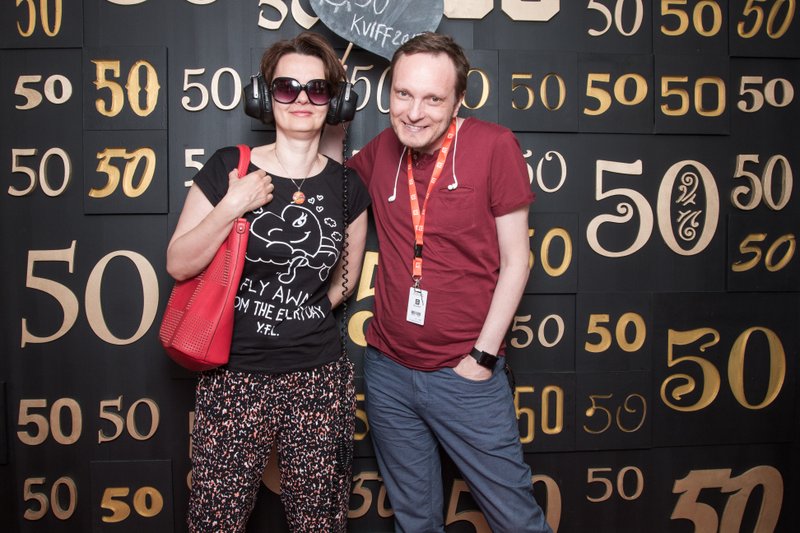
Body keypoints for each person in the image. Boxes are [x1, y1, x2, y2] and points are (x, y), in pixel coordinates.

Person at [331, 32, 552, 532]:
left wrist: (481, 359)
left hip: (464, 375)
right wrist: (332, 110)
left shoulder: (494, 146)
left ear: (458, 100)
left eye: (433, 99)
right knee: (415, 521)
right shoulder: (382, 150)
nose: (413, 113)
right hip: (388, 372)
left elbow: (517, 261)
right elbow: (327, 179)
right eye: (403, 94)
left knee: (518, 522)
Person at [166, 32, 370, 532]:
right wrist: (233, 205)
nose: (301, 99)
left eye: (317, 89)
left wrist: (299, 313)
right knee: (215, 521)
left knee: (319, 523)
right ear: (264, 96)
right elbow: (178, 263)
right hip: (233, 377)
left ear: (335, 101)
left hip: (318, 380)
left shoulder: (348, 186)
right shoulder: (228, 168)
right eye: (286, 87)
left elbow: (345, 280)